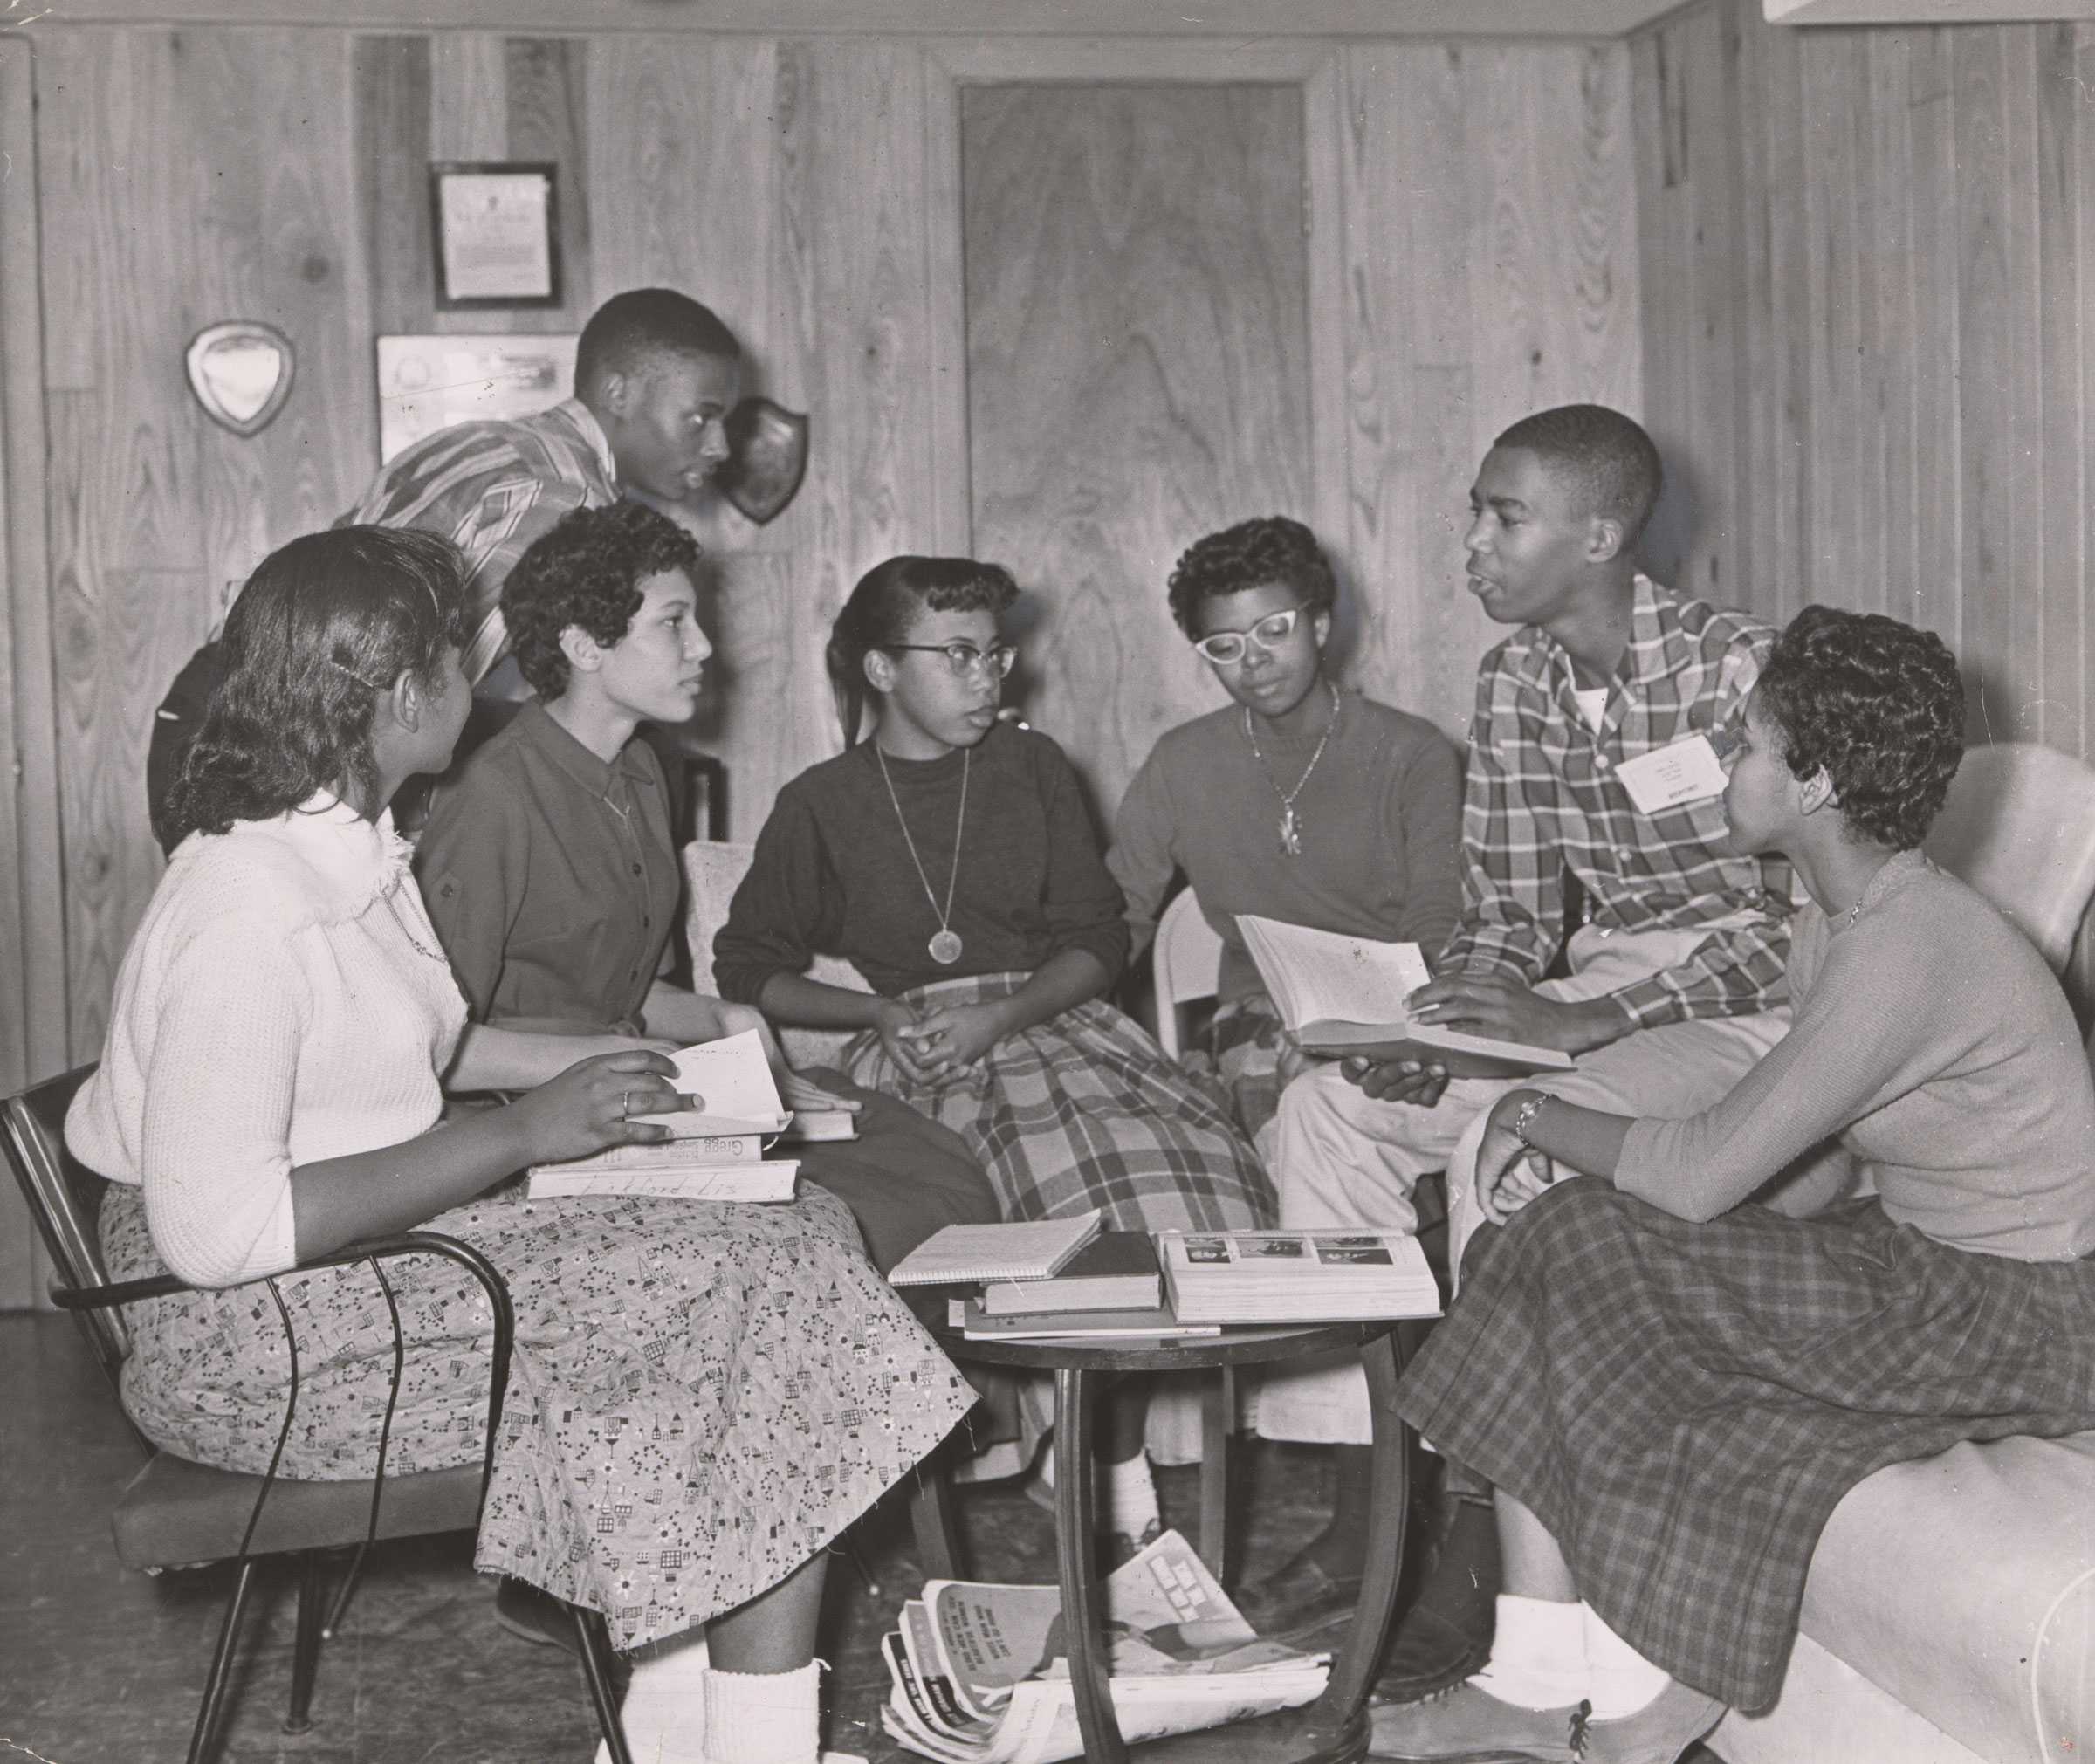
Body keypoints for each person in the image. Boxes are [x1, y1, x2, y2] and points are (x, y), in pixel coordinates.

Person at [69, 526, 972, 1764]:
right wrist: (531, 1136)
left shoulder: (337, 843)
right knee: (761, 1304)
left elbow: (418, 1050)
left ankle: (672, 1729)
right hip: (257, 1348)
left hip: (356, 1267)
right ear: (397, 698)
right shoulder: (250, 911)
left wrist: (611, 1070)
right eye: (457, 659)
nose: (483, 683)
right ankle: (743, 1742)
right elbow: (220, 1236)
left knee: (788, 1237)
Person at [1366, 605, 2095, 1764]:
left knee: (1586, 1233)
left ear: (1811, 783)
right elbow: (1830, 1156)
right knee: (1565, 1234)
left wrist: (1530, 1110)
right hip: (1916, 1259)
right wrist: (1707, 1255)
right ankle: (1551, 1673)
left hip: (2015, 1312)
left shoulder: (1910, 943)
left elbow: (1700, 1173)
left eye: (1748, 741)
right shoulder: (1837, 910)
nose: (1723, 760)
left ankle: (1592, 1686)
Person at [1249, 406, 1797, 1679]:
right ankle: (1365, 1497)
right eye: (1477, 514)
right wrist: (1439, 1018)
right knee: (1327, 1110)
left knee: (1505, 1141)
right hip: (1596, 992)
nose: (1473, 545)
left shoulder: (1740, 670)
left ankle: (1494, 1533)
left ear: (1601, 533)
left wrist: (1589, 1018)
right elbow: (1505, 910)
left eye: (1505, 516)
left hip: (1746, 1008)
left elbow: (1808, 920)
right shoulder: (1515, 683)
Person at [711, 554, 1275, 1558]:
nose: (990, 679)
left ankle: (1106, 1453)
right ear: (882, 669)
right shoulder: (822, 801)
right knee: (1025, 1179)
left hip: (1051, 1018)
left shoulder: (1032, 770)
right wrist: (877, 1012)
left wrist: (1007, 1011)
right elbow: (749, 964)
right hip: (916, 1042)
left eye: (995, 653)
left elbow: (1099, 939)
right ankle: (1086, 1456)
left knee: (1178, 1169)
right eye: (960, 655)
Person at [414, 500, 999, 1275]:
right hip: (527, 1132)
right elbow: (432, 1052)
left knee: (935, 1165)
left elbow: (624, 990)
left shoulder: (643, 771)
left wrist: (726, 1016)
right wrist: (621, 1056)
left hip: (633, 1094)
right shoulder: (493, 796)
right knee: (861, 1222)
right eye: (674, 623)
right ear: (585, 646)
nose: (704, 646)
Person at [148, 288, 743, 846]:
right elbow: (429, 697)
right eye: (701, 416)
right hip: (280, 742)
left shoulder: (483, 439)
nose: (720, 446)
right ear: (619, 393)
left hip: (220, 705)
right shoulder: (567, 496)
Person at [1107, 515, 1461, 1143]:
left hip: (1399, 1008)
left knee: (1343, 1093)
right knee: (1278, 1085)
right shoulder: (1180, 761)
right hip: (1256, 1015)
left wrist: (1387, 1033)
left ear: (1319, 624)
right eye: (1225, 644)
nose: (1255, 660)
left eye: (1274, 630)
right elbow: (1117, 917)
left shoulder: (1413, 753)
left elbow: (1436, 922)